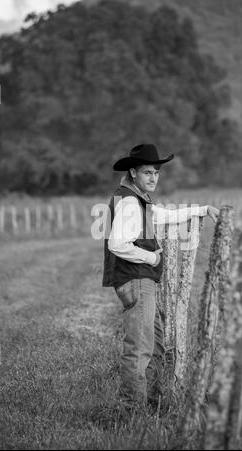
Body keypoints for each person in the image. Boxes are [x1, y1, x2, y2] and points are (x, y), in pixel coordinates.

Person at [102, 144, 219, 411]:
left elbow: (164, 216)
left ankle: (153, 404)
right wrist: (153, 258)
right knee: (140, 349)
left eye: (156, 173)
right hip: (137, 280)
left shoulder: (136, 198)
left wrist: (201, 209)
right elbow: (118, 244)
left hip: (141, 282)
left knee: (154, 346)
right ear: (133, 172)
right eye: (147, 173)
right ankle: (130, 411)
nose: (153, 178)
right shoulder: (131, 202)